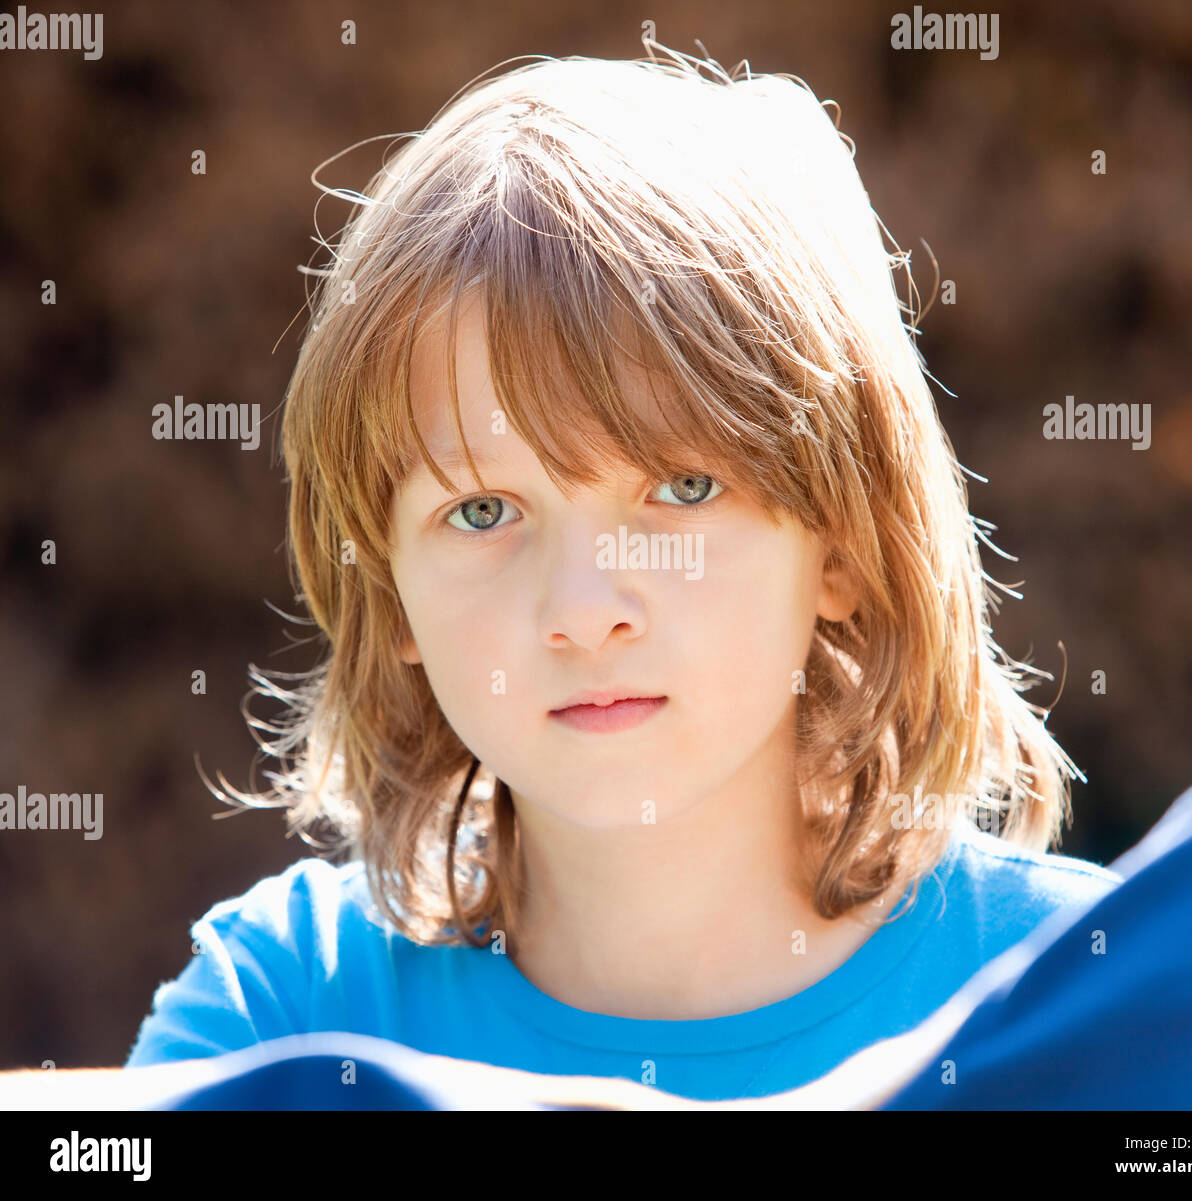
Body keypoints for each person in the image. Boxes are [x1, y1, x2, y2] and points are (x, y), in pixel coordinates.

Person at [123, 38, 1124, 1102]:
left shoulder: (1082, 993)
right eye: (482, 509)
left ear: (842, 542)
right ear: (388, 586)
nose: (584, 609)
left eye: (681, 492)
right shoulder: (287, 1010)